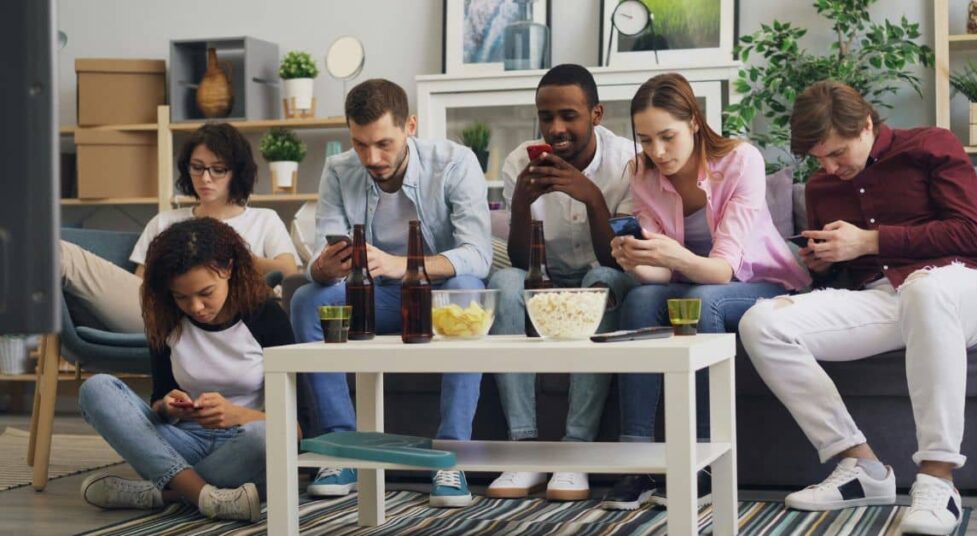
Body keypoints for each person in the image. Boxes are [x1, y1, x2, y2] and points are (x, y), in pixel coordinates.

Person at [738, 80, 977, 536]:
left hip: (963, 285)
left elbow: (969, 235)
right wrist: (821, 265)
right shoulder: (823, 186)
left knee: (925, 290)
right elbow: (847, 274)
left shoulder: (931, 145)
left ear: (865, 124)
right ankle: (861, 468)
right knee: (761, 322)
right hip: (885, 298)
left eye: (837, 152)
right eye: (819, 158)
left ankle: (939, 481)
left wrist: (872, 240)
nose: (828, 167)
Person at [599, 73, 810, 510]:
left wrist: (669, 255)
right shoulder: (641, 173)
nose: (657, 152)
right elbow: (659, 279)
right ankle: (636, 459)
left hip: (757, 282)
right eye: (645, 140)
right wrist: (637, 260)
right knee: (639, 298)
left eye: (667, 137)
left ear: (694, 121)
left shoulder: (740, 161)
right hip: (688, 281)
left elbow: (721, 270)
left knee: (702, 300)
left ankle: (700, 462)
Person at [291, 78, 492, 508]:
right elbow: (326, 251)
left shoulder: (456, 162)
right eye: (360, 144)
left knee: (466, 289)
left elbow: (478, 255)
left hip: (436, 298)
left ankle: (449, 456)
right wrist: (321, 266)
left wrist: (406, 266)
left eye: (383, 143)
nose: (372, 158)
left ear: (411, 126)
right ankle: (339, 449)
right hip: (372, 298)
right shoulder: (339, 169)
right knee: (308, 299)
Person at [485, 64, 638, 502]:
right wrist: (518, 204)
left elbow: (619, 259)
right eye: (546, 116)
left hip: (606, 270)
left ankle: (575, 452)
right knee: (506, 281)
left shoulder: (626, 162)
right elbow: (519, 260)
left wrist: (589, 195)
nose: (556, 129)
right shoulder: (521, 161)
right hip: (544, 278)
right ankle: (524, 449)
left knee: (601, 279)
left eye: (568, 115)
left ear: (596, 114)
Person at [77, 217, 295, 522]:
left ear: (228, 269)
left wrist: (239, 415)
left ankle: (164, 493)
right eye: (181, 297)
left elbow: (297, 428)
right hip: (181, 442)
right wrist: (167, 406)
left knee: (265, 437)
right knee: (96, 388)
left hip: (243, 443)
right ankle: (207, 497)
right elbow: (159, 401)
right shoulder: (166, 318)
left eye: (206, 293)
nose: (195, 307)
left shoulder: (265, 315)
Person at [60, 122, 300, 333]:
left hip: (229, 319)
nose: (205, 178)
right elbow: (143, 287)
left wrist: (230, 254)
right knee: (60, 252)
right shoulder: (164, 221)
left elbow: (289, 275)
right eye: (197, 167)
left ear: (237, 173)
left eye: (218, 169)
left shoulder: (264, 219)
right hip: (163, 314)